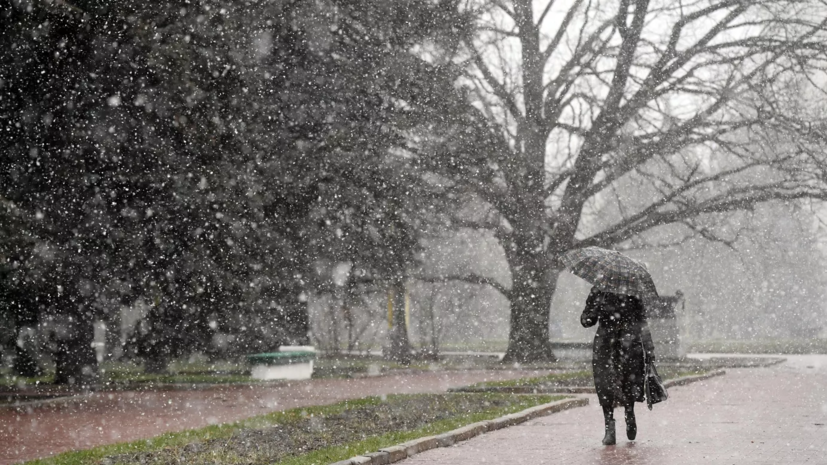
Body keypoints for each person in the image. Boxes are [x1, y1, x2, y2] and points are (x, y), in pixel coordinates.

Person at [580, 287, 656, 445]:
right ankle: (609, 426)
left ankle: (629, 413)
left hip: (629, 344)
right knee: (604, 385)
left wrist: (649, 348)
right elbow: (588, 320)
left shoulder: (632, 293)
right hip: (605, 345)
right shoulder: (598, 291)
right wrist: (591, 312)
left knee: (629, 382)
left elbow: (642, 321)